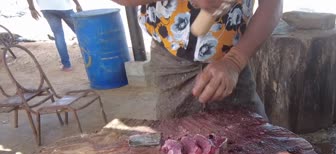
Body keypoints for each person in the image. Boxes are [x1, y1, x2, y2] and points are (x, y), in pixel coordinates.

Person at [112, 0, 282, 120]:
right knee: (176, 144)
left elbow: (272, 4)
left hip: (231, 63)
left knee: (253, 145)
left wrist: (235, 60)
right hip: (170, 60)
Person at [27, 0, 83, 71]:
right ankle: (91, 55)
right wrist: (77, 4)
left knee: (58, 35)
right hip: (64, 6)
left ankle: (67, 65)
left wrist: (32, 8)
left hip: (46, 8)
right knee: (80, 31)